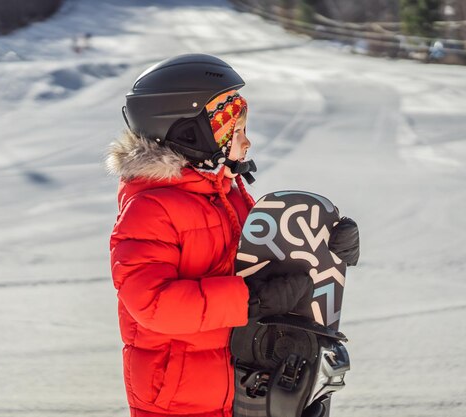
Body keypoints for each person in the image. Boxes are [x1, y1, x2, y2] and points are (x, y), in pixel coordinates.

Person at [107, 54, 360, 417]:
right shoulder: (150, 210)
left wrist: (326, 249)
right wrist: (248, 301)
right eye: (232, 129)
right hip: (181, 401)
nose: (246, 142)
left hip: (243, 386)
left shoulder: (228, 193)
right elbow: (152, 304)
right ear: (188, 131)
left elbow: (266, 256)